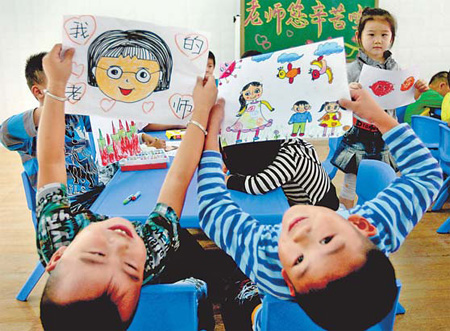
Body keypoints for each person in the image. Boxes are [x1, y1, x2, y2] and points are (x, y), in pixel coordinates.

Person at [198, 86, 443, 331]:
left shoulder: (268, 256)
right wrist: (377, 115)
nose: (301, 235)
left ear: (288, 281)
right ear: (360, 225)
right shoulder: (376, 230)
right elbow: (426, 175)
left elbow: (213, 208)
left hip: (271, 320)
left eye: (300, 259)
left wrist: (210, 134)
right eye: (327, 240)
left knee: (238, 294)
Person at [37, 44, 220, 330]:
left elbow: (51, 161)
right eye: (131, 270)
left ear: (58, 258)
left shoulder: (56, 234)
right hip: (180, 269)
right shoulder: (151, 252)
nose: (120, 245)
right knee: (202, 266)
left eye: (97, 255)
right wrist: (200, 113)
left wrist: (56, 85)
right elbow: (178, 178)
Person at [0, 52, 165, 213]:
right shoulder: (29, 129)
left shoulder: (75, 116)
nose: (68, 89)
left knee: (153, 199)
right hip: (70, 209)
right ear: (38, 92)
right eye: (59, 85)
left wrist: (139, 138)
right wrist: (58, 101)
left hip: (99, 195)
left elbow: (107, 132)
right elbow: (5, 133)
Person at [331, 7, 429, 209]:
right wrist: (346, 92)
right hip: (359, 132)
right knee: (351, 183)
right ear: (359, 36)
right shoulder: (350, 69)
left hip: (386, 134)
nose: (378, 40)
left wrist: (416, 93)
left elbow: (402, 100)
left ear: (392, 38)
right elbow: (336, 101)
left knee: (384, 180)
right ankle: (346, 219)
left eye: (384, 35)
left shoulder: (396, 69)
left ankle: (375, 217)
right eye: (371, 34)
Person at [223, 50, 339, 210]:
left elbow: (258, 185)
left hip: (319, 211)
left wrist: (228, 180)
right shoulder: (278, 140)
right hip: (296, 199)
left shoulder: (287, 157)